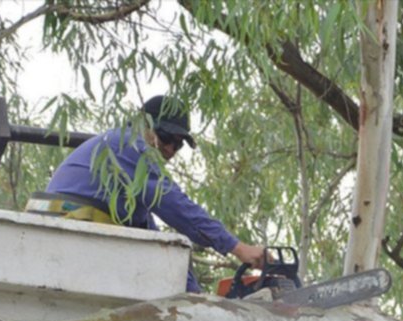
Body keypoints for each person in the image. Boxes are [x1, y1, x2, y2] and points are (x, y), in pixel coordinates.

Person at [46, 95, 265, 292]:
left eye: (178, 144)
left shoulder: (131, 184)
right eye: (166, 137)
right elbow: (175, 205)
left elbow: (159, 244)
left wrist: (196, 298)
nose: (170, 149)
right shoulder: (129, 146)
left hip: (72, 233)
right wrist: (237, 247)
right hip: (65, 229)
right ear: (143, 125)